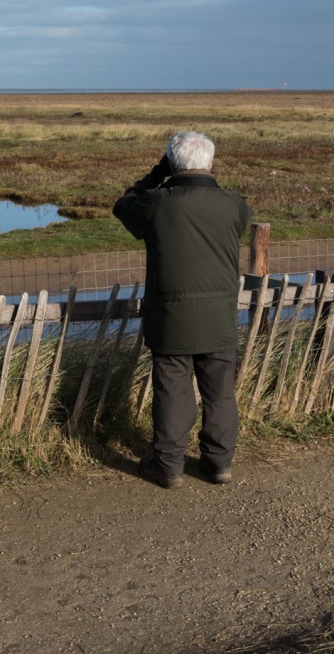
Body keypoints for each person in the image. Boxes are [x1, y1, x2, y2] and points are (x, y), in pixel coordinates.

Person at [113, 131, 251, 489]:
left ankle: (169, 466)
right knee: (219, 392)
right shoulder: (234, 204)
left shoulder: (158, 203)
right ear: (211, 164)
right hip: (220, 315)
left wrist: (157, 175)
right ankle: (219, 463)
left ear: (172, 164)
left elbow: (123, 205)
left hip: (172, 316)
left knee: (173, 391)